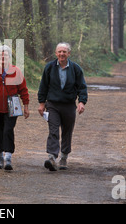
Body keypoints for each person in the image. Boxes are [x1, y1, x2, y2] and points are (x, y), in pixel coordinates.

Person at [37, 43, 88, 171]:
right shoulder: (49, 68)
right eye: (59, 52)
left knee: (67, 131)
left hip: (69, 105)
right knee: (53, 130)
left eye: (64, 52)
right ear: (56, 53)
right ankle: (52, 157)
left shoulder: (76, 69)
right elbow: (43, 86)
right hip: (53, 105)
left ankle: (64, 157)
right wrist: (42, 103)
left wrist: (81, 102)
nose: (62, 54)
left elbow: (82, 87)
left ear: (69, 54)